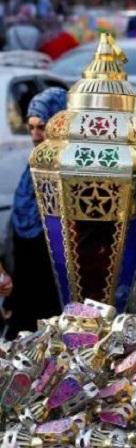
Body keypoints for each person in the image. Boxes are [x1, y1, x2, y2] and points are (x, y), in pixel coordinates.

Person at [3, 87, 67, 338]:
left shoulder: (68, 170)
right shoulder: (31, 171)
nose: (35, 135)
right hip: (27, 290)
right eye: (31, 128)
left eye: (42, 127)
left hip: (55, 291)